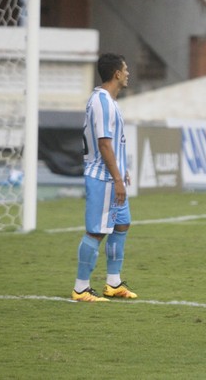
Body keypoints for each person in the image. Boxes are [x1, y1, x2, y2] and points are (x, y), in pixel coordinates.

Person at [71, 53, 138, 302]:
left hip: (112, 175)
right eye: (126, 68)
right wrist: (117, 178)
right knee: (96, 232)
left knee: (122, 224)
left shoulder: (108, 100)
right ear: (117, 73)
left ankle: (113, 282)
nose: (128, 73)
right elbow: (104, 144)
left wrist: (122, 171)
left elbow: (113, 144)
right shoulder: (102, 102)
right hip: (103, 177)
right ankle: (80, 288)